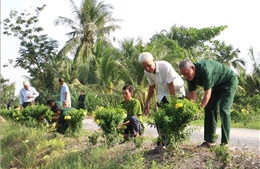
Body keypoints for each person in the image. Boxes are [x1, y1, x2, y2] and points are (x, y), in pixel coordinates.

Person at [178, 59, 238, 148]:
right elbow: (192, 95)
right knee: (210, 108)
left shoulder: (205, 70)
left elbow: (207, 93)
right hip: (217, 85)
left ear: (192, 68)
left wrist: (199, 110)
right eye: (184, 75)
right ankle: (209, 141)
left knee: (224, 109)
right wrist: (191, 110)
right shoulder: (189, 77)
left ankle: (225, 143)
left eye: (187, 73)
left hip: (229, 81)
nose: (186, 76)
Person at [138, 52, 186, 152]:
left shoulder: (164, 66)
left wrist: (173, 104)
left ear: (154, 60)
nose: (147, 68)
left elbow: (171, 85)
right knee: (160, 118)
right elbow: (151, 87)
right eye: (144, 67)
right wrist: (146, 102)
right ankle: (162, 143)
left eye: (149, 65)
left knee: (176, 117)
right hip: (163, 93)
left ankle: (174, 142)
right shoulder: (147, 72)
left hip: (176, 91)